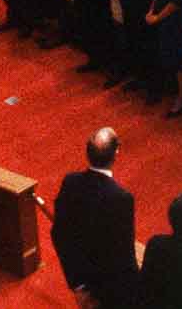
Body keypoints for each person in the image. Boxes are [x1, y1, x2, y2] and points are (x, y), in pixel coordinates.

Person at [51, 127, 141, 309]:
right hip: (110, 289)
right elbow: (123, 252)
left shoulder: (70, 182)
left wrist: (78, 285)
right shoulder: (121, 199)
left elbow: (59, 234)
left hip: (82, 281)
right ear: (116, 153)